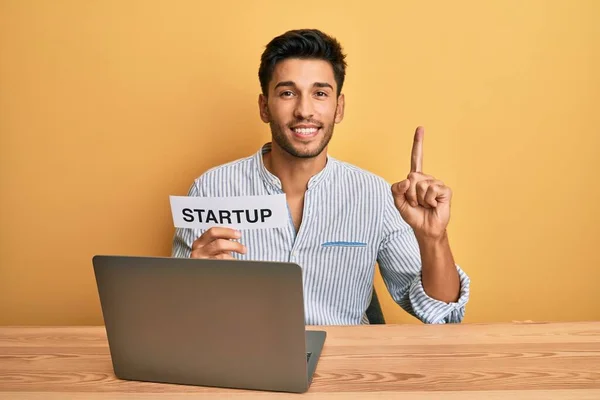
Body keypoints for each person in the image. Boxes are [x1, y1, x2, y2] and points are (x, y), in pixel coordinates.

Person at [172, 29, 470, 325]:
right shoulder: (210, 189)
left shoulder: (374, 194)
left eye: (320, 94)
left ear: (338, 107)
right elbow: (180, 317)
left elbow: (441, 314)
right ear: (264, 107)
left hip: (346, 366)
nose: (304, 110)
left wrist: (434, 238)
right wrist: (192, 282)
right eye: (287, 93)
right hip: (244, 363)